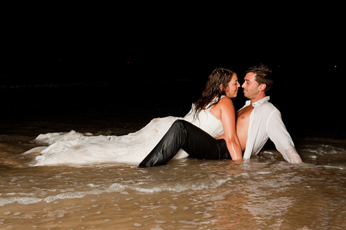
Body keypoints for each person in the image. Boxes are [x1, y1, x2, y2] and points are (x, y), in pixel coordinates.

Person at [26, 67, 242, 166]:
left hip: (169, 127)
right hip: (178, 133)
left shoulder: (207, 100)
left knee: (122, 146)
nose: (238, 86)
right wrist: (241, 168)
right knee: (130, 153)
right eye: (235, 83)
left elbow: (214, 130)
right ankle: (146, 170)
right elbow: (231, 139)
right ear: (223, 86)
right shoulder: (226, 102)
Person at [139, 64, 302, 167]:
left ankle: (146, 169)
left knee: (180, 127)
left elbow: (285, 144)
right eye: (242, 81)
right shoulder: (245, 107)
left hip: (223, 153)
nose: (242, 85)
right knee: (180, 127)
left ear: (262, 87)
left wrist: (301, 167)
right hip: (215, 147)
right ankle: (149, 166)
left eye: (247, 82)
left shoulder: (269, 111)